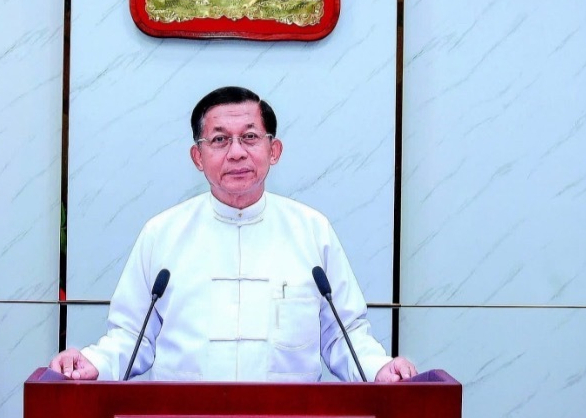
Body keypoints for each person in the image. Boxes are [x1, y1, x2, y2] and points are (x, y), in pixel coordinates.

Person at [51, 86, 416, 383]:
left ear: (274, 150)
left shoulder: (311, 230)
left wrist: (379, 368)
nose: (237, 153)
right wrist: (95, 362)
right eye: (220, 140)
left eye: (250, 137)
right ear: (198, 156)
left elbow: (343, 334)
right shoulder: (163, 233)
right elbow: (132, 335)